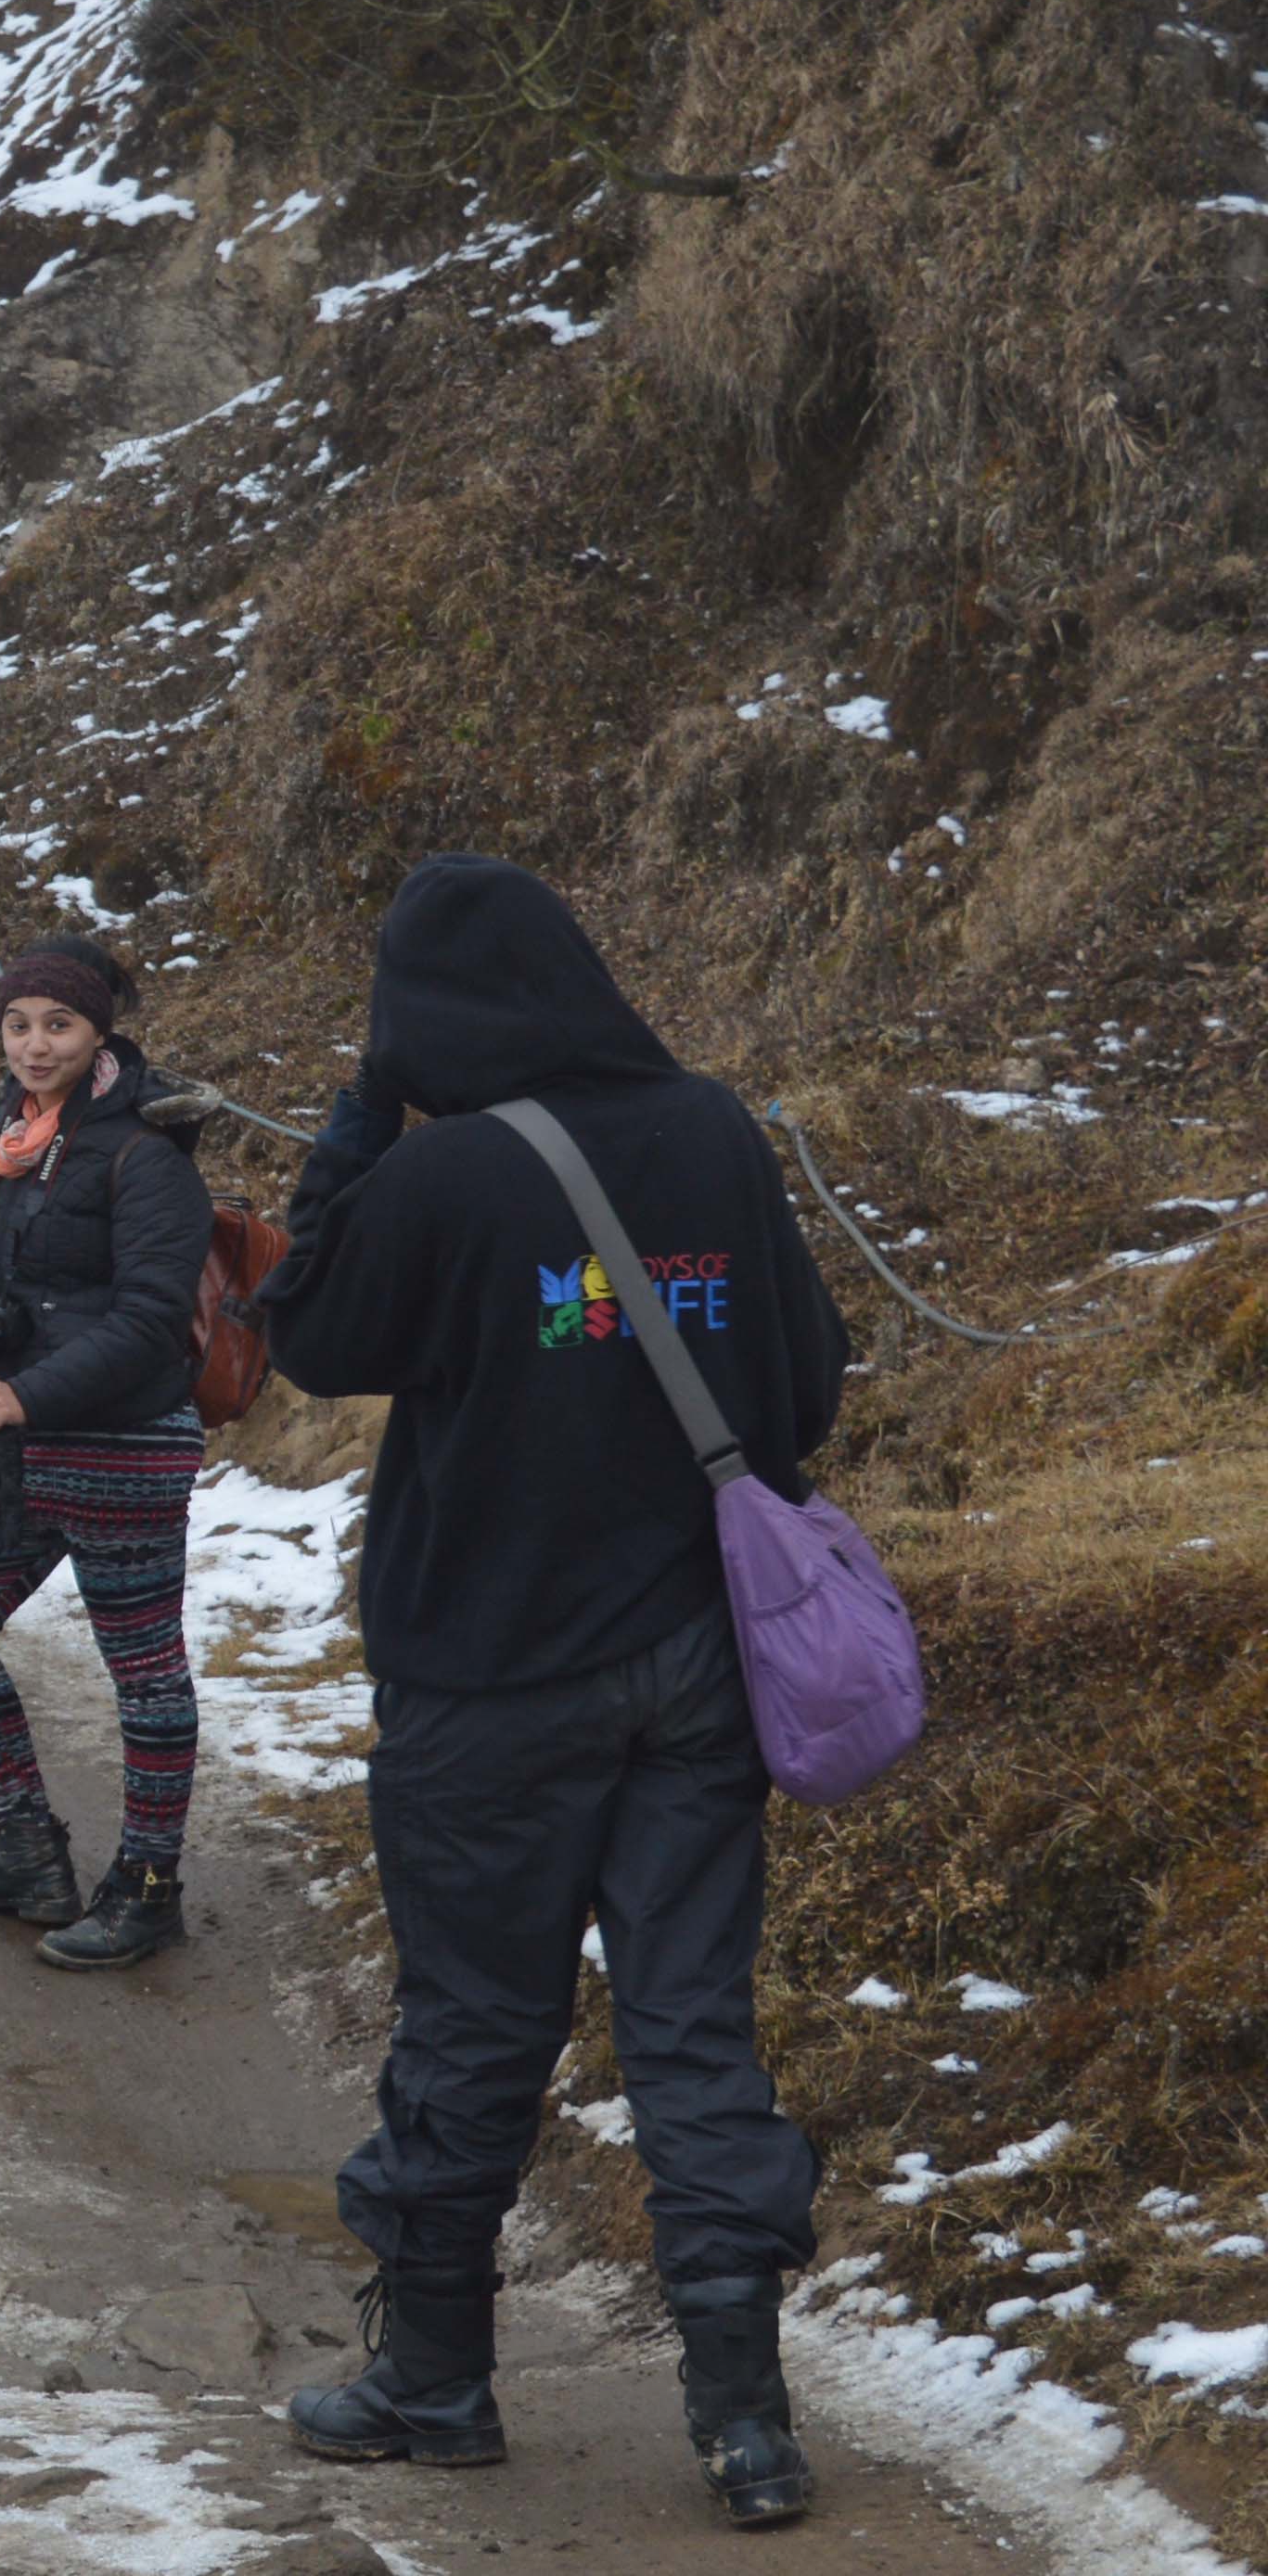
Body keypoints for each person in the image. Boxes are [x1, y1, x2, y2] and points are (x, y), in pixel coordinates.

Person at [260, 857, 845, 2528]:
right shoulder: (718, 1130)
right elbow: (801, 1379)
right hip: (701, 1665)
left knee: (474, 2026)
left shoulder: (442, 1183)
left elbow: (302, 1325)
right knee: (689, 2027)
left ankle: (434, 2380)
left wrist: (366, 1114)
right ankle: (746, 2421)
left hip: (491, 1680)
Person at [0, 931, 215, 1970]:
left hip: (122, 1444)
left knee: (143, 1669)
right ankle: (29, 1848)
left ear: (98, 1029)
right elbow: (18, 1278)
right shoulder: (8, 1129)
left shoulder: (146, 1150)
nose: (35, 1044)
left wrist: (25, 1388)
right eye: (18, 1023)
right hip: (23, 1443)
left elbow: (150, 1318)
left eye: (59, 1024)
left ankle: (150, 1882)